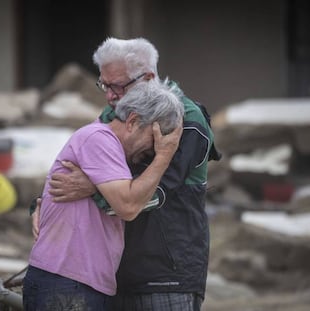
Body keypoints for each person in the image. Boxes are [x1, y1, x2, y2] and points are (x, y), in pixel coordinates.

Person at [31, 37, 221, 311]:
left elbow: (154, 191)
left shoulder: (185, 121)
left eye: (117, 86)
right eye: (104, 85)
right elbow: (80, 163)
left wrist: (94, 187)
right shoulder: (114, 114)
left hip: (165, 276)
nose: (109, 95)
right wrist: (44, 202)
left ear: (149, 77)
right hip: (115, 275)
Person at [23, 80, 184, 311]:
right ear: (133, 121)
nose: (153, 149)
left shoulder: (109, 148)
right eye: (153, 139)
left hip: (78, 284)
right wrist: (164, 156)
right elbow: (128, 206)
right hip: (67, 283)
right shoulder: (99, 139)